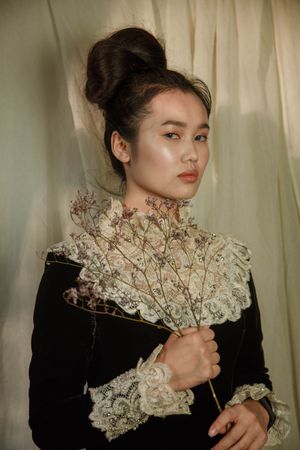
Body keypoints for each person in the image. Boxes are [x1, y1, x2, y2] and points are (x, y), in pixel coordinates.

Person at [29, 26, 290, 450]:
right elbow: (50, 427)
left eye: (200, 136)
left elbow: (253, 376)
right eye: (172, 134)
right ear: (122, 146)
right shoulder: (76, 266)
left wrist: (259, 409)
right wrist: (160, 378)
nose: (192, 154)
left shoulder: (229, 258)